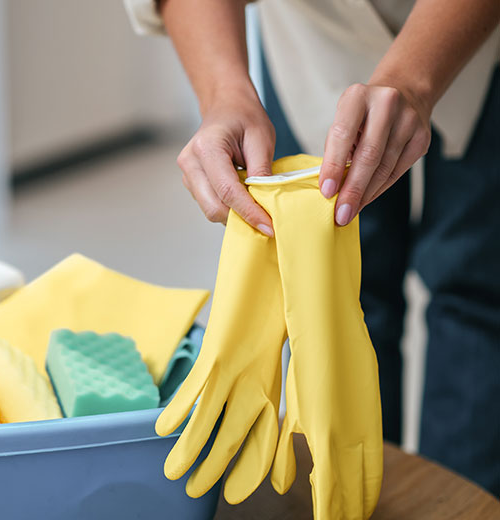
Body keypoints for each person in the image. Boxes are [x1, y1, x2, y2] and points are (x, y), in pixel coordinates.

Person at [124, 0, 500, 496]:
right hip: (312, 30)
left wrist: (414, 78)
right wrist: (224, 92)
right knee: (328, 299)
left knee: (474, 286)